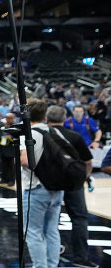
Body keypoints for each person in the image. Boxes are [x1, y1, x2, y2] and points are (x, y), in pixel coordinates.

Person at [46, 105, 97, 268]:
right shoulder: (74, 136)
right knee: (79, 218)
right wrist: (84, 177)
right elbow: (88, 162)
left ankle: (52, 250)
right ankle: (81, 258)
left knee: (50, 219)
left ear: (47, 119)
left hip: (50, 183)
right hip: (73, 183)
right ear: (64, 119)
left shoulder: (43, 136)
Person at [21, 99, 64, 268]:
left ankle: (40, 266)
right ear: (44, 115)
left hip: (36, 187)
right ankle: (52, 265)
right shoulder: (54, 132)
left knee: (33, 232)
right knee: (52, 230)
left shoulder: (31, 133)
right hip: (56, 187)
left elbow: (25, 161)